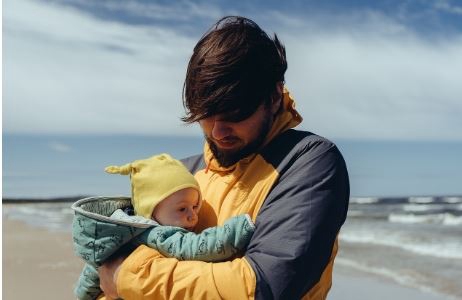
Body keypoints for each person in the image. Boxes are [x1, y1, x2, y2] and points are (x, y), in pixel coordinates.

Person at [98, 16, 350, 300]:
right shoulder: (182, 174)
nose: (218, 132)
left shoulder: (308, 161)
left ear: (275, 96)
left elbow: (264, 286)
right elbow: (114, 264)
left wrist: (127, 277)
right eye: (205, 116)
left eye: (235, 114)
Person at [72, 154, 254, 300]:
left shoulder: (120, 234)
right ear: (151, 212)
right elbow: (198, 247)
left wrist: (83, 295)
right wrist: (238, 229)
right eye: (182, 209)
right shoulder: (158, 234)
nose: (193, 215)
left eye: (195, 206)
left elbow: (92, 272)